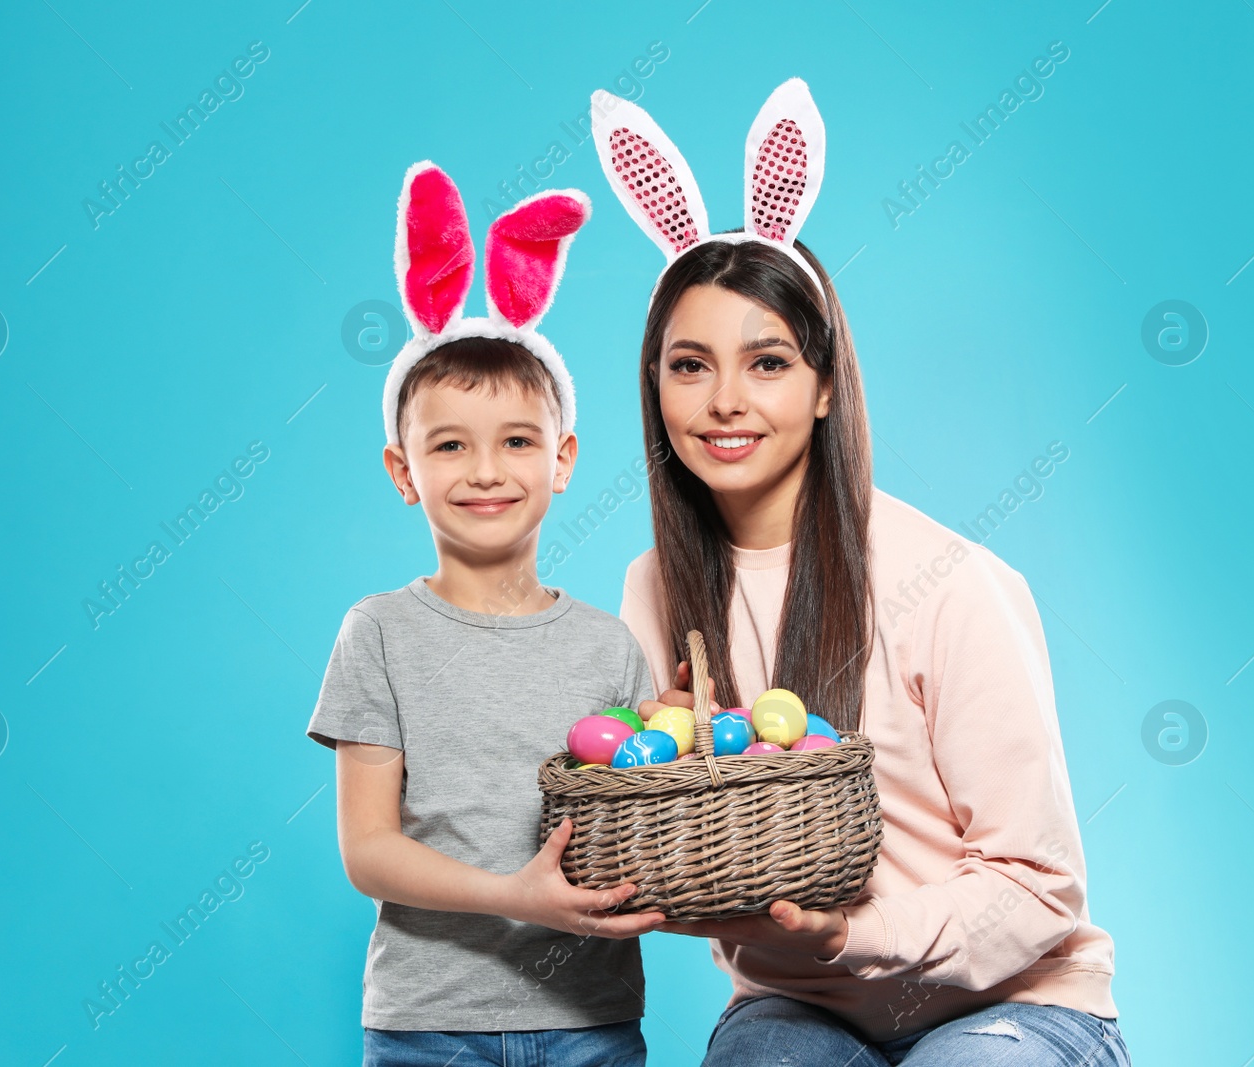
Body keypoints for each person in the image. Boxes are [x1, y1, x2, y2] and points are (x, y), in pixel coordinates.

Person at [590, 80, 1133, 1064]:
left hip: (1015, 1003)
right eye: (687, 364)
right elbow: (660, 838)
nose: (721, 402)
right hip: (805, 1010)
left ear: (827, 381)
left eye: (766, 362)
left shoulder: (945, 579)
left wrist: (849, 933)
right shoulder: (651, 590)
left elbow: (1039, 883)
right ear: (652, 382)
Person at [307, 162, 662, 1067]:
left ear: (563, 458)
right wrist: (518, 894)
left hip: (591, 1022)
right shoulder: (378, 632)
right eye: (450, 445)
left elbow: (640, 813)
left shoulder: (609, 647)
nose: (486, 470)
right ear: (403, 471)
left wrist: (682, 730)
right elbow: (370, 850)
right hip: (429, 1025)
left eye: (517, 441)